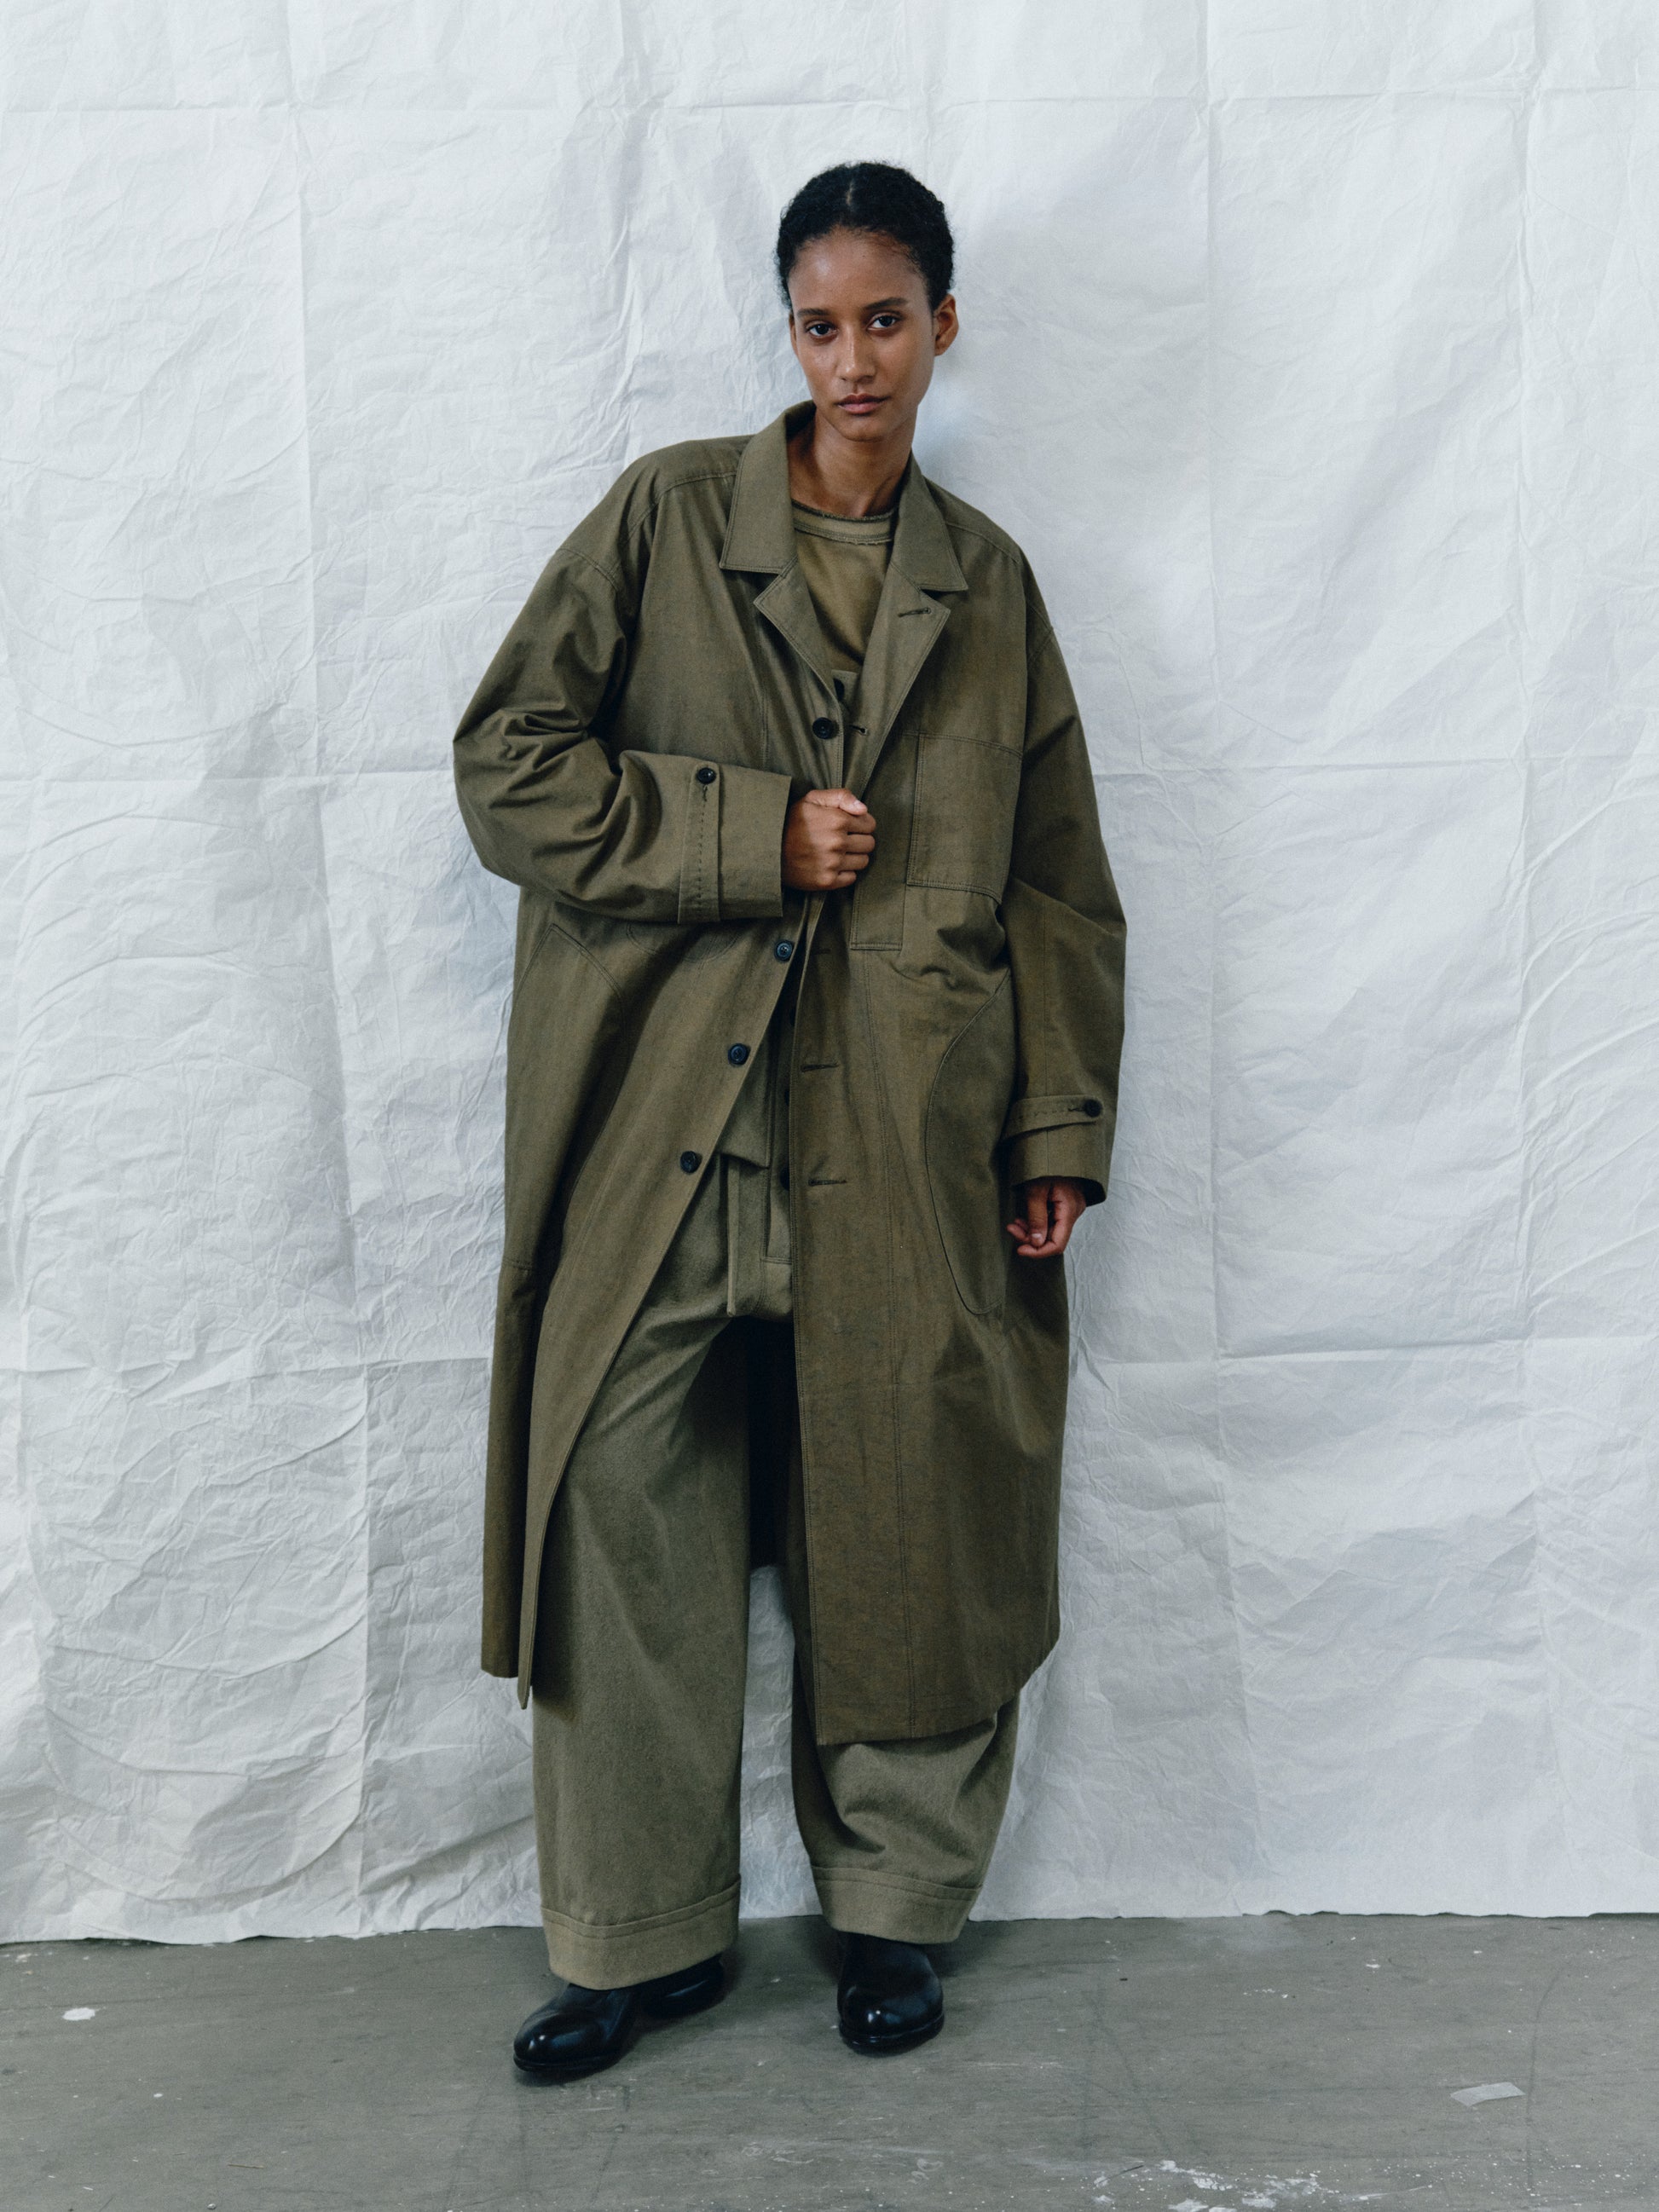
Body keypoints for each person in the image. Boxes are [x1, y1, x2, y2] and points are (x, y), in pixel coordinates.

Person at [452, 161, 1126, 2080]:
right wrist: (748, 834)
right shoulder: (665, 517)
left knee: (914, 1514)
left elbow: (1058, 880)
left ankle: (893, 1912)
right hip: (663, 1129)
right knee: (618, 1517)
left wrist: (1052, 1130)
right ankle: (637, 1937)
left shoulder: (988, 584)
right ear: (791, 332)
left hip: (909, 1136)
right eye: (820, 324)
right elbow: (507, 768)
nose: (854, 360)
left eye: (886, 320)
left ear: (942, 327)